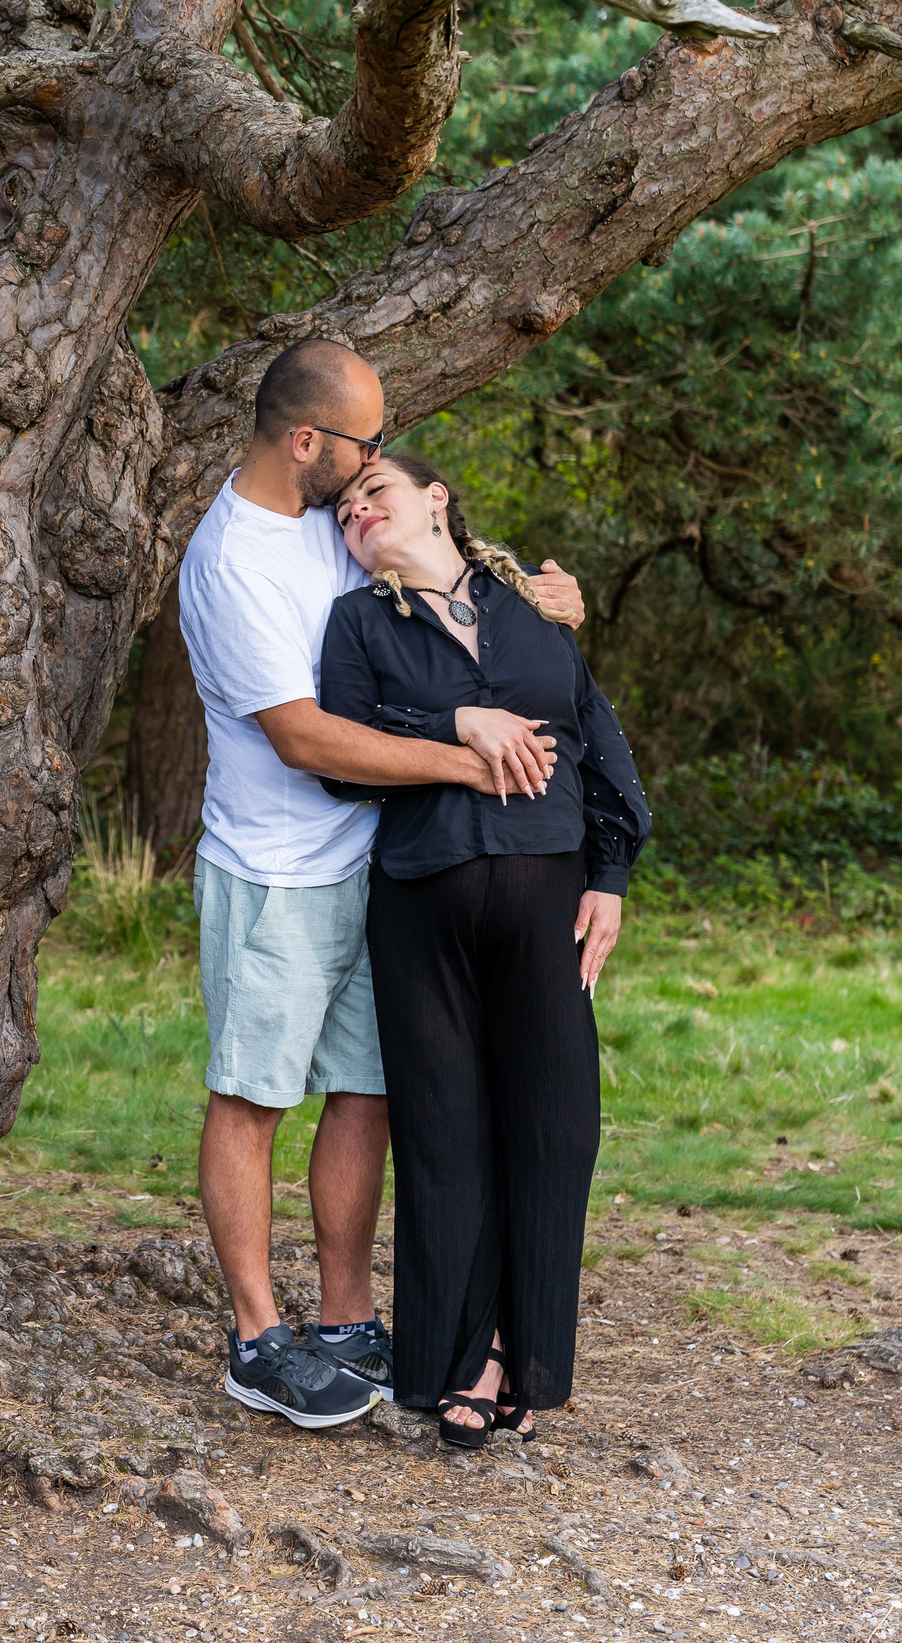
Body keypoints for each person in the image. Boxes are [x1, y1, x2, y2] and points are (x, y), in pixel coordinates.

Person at [177, 341, 585, 1431]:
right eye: (357, 446)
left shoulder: (326, 523)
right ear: (304, 441)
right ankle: (258, 1338)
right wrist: (465, 757)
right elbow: (307, 738)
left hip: (377, 870)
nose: (366, 473)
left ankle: (349, 1319)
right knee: (255, 1097)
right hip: (273, 874)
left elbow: (436, 583)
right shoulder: (231, 565)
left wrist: (538, 597)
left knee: (367, 1091)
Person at [317, 450, 651, 1450]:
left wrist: (611, 876)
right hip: (421, 905)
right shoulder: (360, 624)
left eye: (373, 492)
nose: (357, 511)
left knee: (552, 1129)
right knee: (443, 1135)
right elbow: (342, 749)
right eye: (341, 511)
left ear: (436, 500)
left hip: (548, 898)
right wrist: (451, 719)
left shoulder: (535, 613)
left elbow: (596, 740)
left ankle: (519, 1344)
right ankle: (456, 1360)